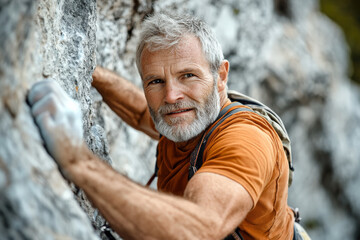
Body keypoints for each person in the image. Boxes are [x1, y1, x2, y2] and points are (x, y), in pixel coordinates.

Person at [28, 12, 299, 239]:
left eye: (188, 75)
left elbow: (200, 229)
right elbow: (138, 112)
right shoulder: (188, 117)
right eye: (156, 81)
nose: (171, 97)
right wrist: (86, 72)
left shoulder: (246, 139)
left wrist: (77, 161)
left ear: (221, 75)